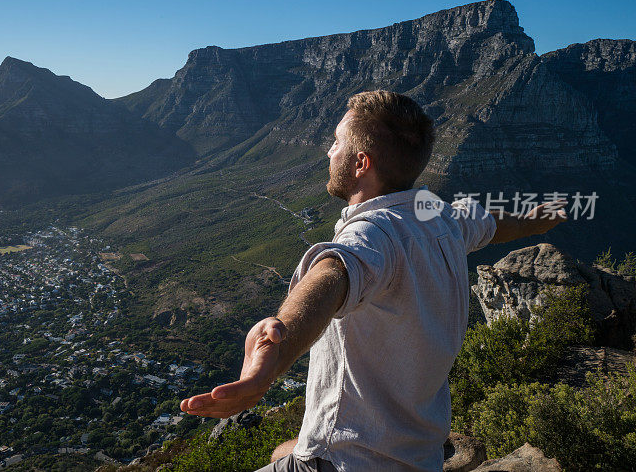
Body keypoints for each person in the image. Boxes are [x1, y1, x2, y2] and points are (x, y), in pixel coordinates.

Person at [180, 90, 568, 471]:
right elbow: (499, 222)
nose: (328, 152)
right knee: (283, 449)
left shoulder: (372, 234)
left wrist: (275, 352)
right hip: (419, 457)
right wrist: (548, 213)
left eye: (336, 143)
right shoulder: (441, 218)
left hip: (344, 461)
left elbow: (332, 275)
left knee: (285, 455)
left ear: (360, 162)